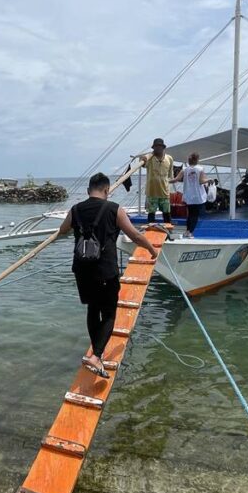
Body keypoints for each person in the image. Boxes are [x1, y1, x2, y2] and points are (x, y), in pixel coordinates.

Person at [59, 173, 158, 378]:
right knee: (111, 313)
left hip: (81, 270)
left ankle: (96, 355)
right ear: (107, 190)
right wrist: (151, 249)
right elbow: (135, 235)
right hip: (105, 270)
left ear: (88, 191)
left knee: (93, 309)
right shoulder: (114, 209)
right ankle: (96, 356)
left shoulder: (75, 209)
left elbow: (63, 229)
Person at [171, 152, 210, 237]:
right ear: (197, 160)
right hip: (197, 195)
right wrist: (209, 180)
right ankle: (190, 232)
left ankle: (187, 231)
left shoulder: (184, 169)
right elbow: (201, 181)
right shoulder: (200, 169)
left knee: (190, 214)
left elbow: (176, 179)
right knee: (195, 215)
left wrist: (166, 181)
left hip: (189, 196)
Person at [143, 137, 174, 224]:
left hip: (164, 192)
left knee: (167, 214)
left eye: (159, 146)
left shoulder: (169, 159)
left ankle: (168, 232)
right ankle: (150, 233)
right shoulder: (150, 158)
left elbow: (170, 175)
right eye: (156, 146)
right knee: (151, 214)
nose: (157, 148)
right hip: (152, 192)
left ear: (163, 147)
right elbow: (143, 163)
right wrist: (144, 158)